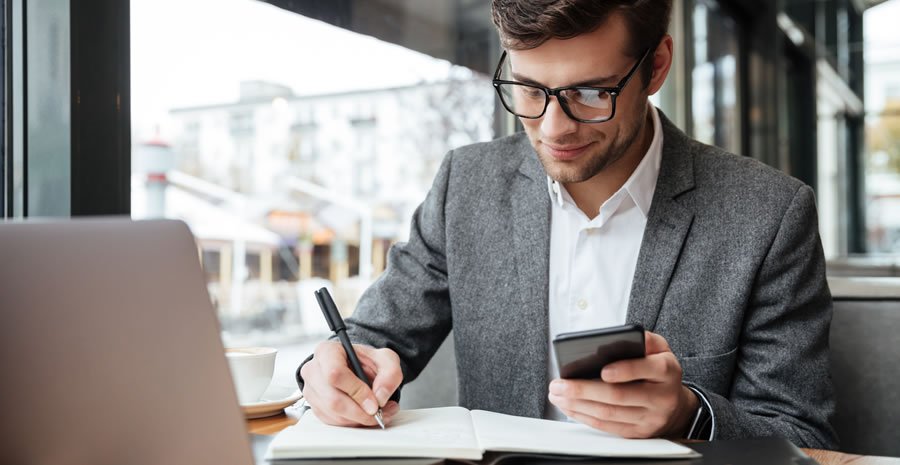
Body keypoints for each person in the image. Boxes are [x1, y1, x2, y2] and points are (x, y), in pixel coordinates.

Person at [296, 0, 837, 448]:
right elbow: (371, 339)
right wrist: (331, 372)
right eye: (530, 90)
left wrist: (688, 415)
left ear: (657, 65)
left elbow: (803, 440)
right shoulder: (467, 184)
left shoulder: (767, 214)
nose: (554, 128)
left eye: (590, 93)